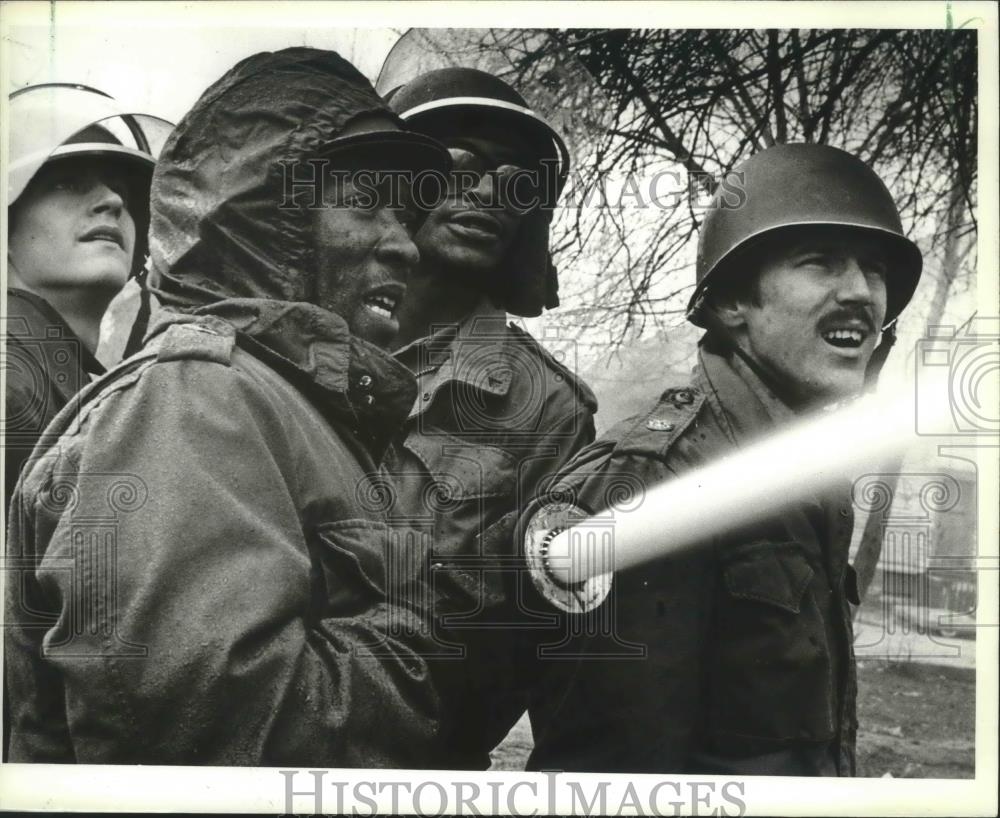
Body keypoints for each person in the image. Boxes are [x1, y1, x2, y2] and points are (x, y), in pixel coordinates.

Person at [4, 48, 457, 766]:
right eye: (367, 202)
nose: (404, 245)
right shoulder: (200, 397)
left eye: (406, 215)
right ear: (268, 219)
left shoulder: (275, 401)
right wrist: (413, 619)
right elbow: (216, 742)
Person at [521, 143, 923, 775]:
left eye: (874, 270)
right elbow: (608, 783)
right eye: (820, 263)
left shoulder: (808, 474)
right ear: (732, 302)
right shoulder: (651, 482)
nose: (861, 293)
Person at [382, 67, 598, 769]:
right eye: (462, 166)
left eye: (515, 183)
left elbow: (532, 658)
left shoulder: (548, 411)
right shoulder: (287, 347)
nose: (487, 194)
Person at [4, 84, 169, 512]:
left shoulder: (54, 383)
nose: (113, 201)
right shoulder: (12, 388)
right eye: (66, 184)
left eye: (124, 193)